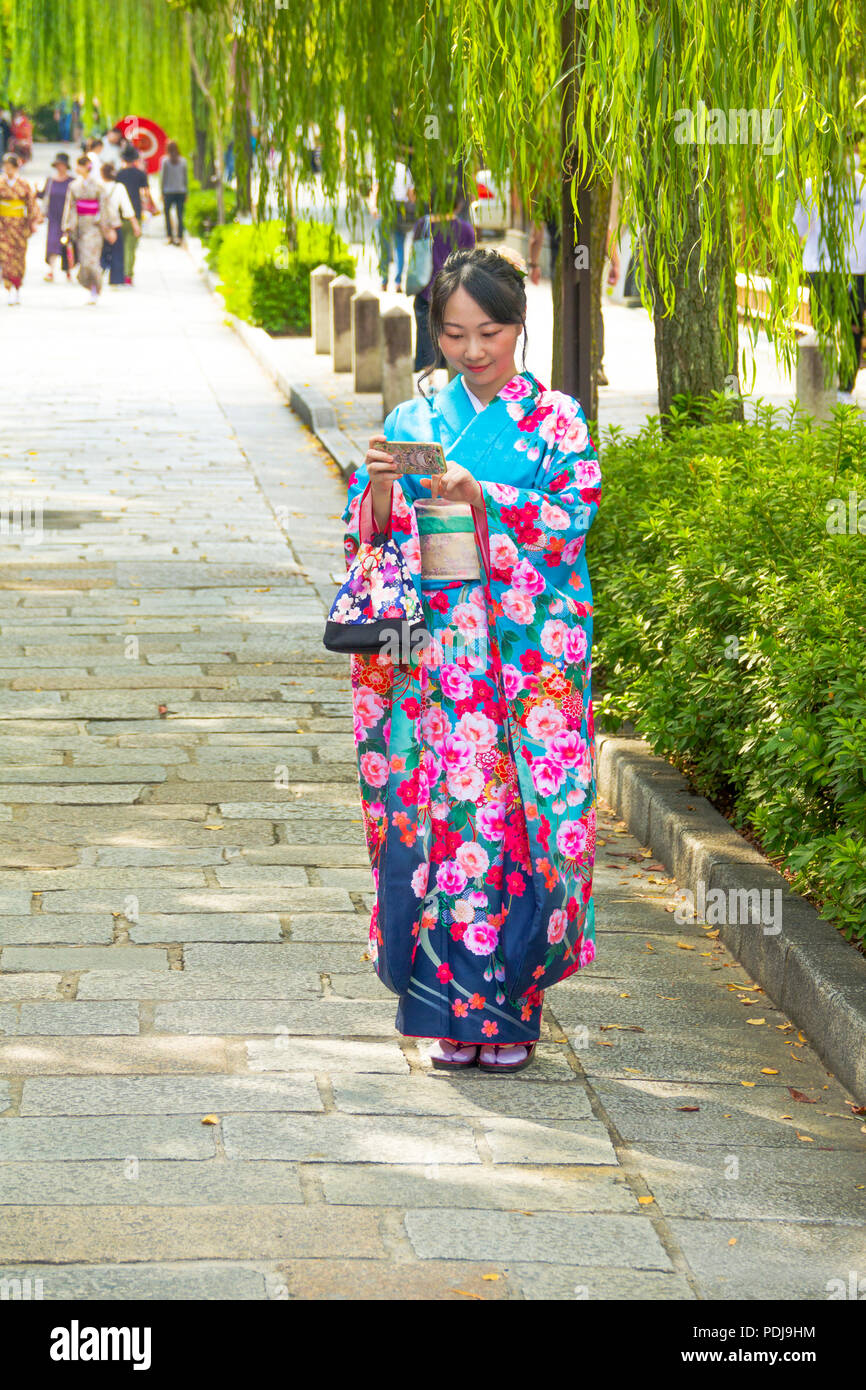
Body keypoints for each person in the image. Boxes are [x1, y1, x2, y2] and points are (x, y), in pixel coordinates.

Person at [340, 246, 601, 1073]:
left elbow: (573, 518)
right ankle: (445, 1011)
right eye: (454, 334)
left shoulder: (558, 421)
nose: (473, 351)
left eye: (490, 331)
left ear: (520, 326)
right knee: (442, 818)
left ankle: (512, 1016)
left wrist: (486, 496)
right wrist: (381, 486)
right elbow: (370, 532)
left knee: (525, 821)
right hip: (431, 661)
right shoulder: (417, 421)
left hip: (522, 660)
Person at [794, 147, 866, 393]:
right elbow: (799, 227)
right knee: (823, 326)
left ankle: (846, 386)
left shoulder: (863, 187)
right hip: (820, 266)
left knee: (853, 326)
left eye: (851, 150)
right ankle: (822, 384)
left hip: (856, 268)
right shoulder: (813, 186)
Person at [410, 184, 476, 372]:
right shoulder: (464, 229)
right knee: (452, 345)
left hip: (425, 291)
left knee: (426, 343)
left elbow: (415, 254)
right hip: (454, 295)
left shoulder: (423, 225)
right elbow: (469, 264)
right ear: (457, 204)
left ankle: (428, 382)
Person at [62, 154, 112, 304]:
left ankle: (96, 287)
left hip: (94, 227)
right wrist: (67, 226)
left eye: (79, 165)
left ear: (86, 167)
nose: (77, 168)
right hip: (80, 226)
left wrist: (106, 226)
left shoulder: (98, 186)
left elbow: (104, 207)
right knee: (84, 261)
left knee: (92, 261)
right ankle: (92, 287)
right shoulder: (74, 186)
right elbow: (70, 206)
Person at [0, 153, 39, 304]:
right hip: (3, 226)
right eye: (6, 167)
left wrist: (33, 222)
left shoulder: (24, 185)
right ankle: (9, 288)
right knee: (5, 257)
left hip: (19, 226)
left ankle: (17, 287)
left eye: (10, 167)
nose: (8, 170)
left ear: (16, 167)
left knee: (18, 257)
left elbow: (31, 205)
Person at [98, 163, 139, 286]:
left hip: (99, 223)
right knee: (117, 252)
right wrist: (135, 223)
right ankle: (116, 279)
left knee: (100, 251)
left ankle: (98, 275)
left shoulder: (98, 186)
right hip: (114, 223)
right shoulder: (119, 187)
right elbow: (127, 207)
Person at [115, 144, 150, 284]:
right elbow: (146, 194)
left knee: (121, 245)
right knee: (131, 246)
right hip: (135, 212)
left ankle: (120, 272)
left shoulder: (118, 174)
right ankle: (128, 274)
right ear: (135, 159)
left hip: (119, 213)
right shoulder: (141, 174)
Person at [38, 152, 74, 281]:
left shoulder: (72, 181)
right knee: (52, 242)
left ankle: (68, 269)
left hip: (67, 216)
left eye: (62, 165)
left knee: (67, 243)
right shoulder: (51, 180)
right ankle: (51, 269)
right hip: (53, 215)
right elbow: (44, 196)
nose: (60, 167)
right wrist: (41, 214)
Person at [159, 141, 188, 245]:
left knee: (167, 214)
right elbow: (185, 178)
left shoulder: (165, 161)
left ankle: (169, 236)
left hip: (168, 192)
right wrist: (186, 192)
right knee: (180, 215)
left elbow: (162, 178)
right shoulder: (183, 161)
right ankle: (180, 237)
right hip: (181, 191)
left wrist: (161, 192)